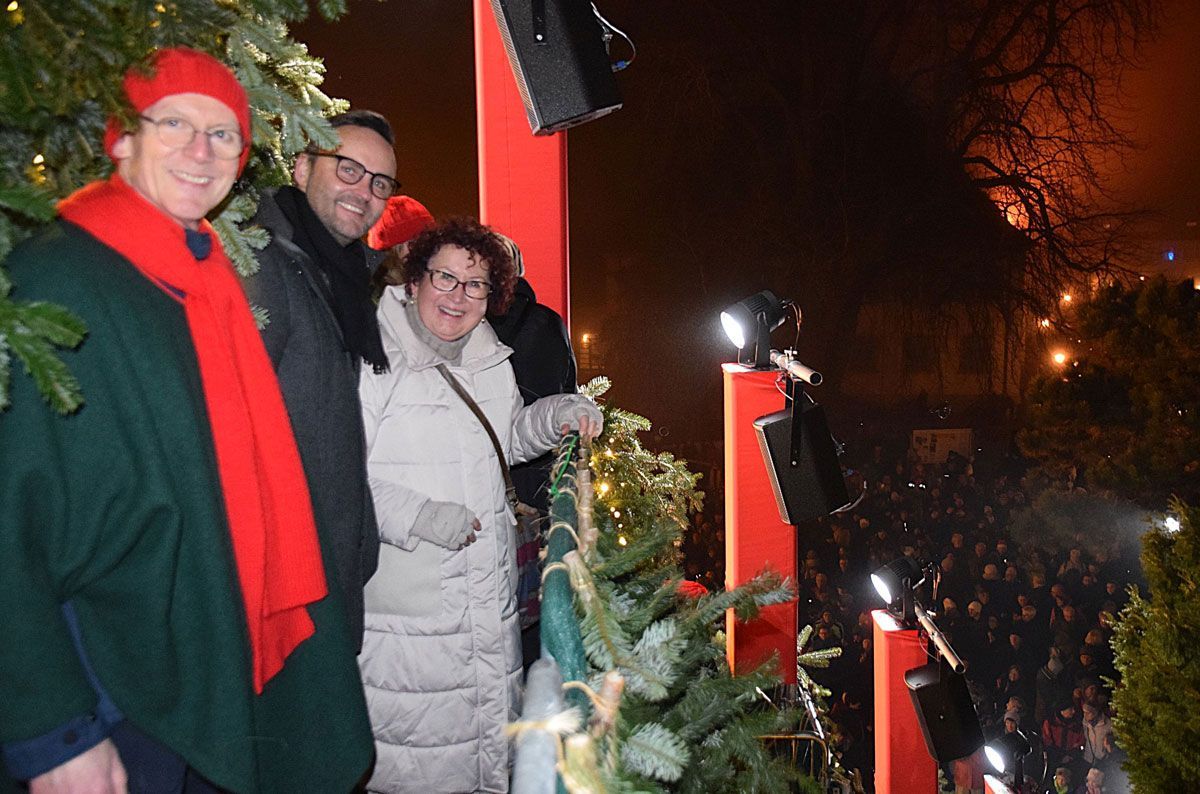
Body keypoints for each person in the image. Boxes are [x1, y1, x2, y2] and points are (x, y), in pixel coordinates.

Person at [0, 47, 372, 792]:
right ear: (123, 138)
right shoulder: (57, 274)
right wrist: (53, 731)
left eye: (223, 134)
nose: (201, 153)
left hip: (192, 657)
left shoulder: (197, 278)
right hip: (107, 676)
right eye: (173, 122)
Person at [357, 218, 602, 793]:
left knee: (483, 759)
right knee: (418, 764)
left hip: (485, 608)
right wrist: (416, 515)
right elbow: (335, 476)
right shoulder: (372, 358)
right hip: (408, 626)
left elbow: (506, 439)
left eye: (476, 286)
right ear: (415, 279)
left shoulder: (489, 358)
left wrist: (555, 414)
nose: (457, 296)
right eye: (445, 277)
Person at [241, 109, 400, 646]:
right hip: (281, 585)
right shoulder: (262, 263)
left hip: (326, 564)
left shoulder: (345, 277)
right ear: (303, 167)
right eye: (348, 169)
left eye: (380, 182)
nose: (365, 191)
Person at [486, 233, 579, 668]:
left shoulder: (470, 327)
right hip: (542, 479)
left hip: (495, 483)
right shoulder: (548, 323)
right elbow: (565, 389)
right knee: (541, 595)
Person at [366, 193, 435, 300]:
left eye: (430, 240)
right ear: (391, 250)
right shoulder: (376, 301)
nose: (427, 249)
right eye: (416, 242)